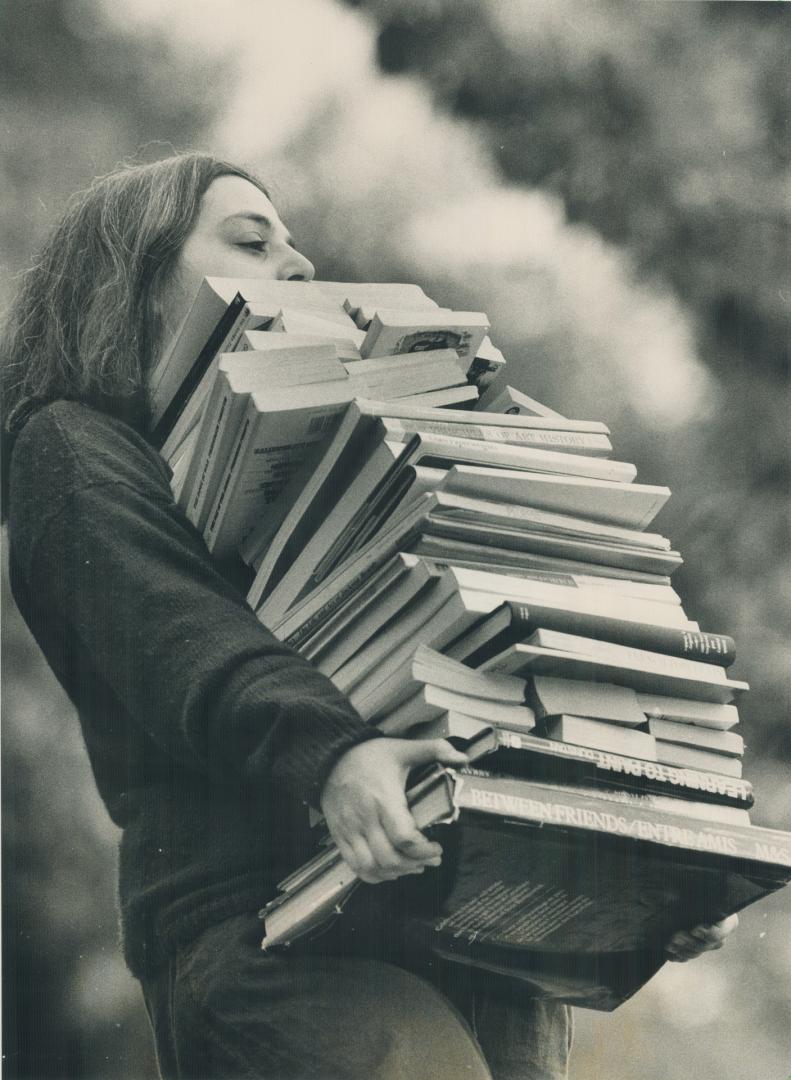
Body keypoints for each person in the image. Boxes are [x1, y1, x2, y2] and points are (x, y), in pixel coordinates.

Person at [2, 152, 737, 1080]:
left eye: (294, 243)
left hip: (469, 936)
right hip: (278, 933)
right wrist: (334, 752)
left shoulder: (352, 446)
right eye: (251, 241)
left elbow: (512, 644)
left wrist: (641, 848)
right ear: (138, 279)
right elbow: (177, 634)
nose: (300, 265)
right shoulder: (70, 445)